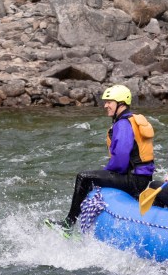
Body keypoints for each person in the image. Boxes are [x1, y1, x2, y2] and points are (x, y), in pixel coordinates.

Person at [57, 84, 155, 227]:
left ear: (120, 104)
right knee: (96, 176)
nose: (105, 105)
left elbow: (120, 161)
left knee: (84, 177)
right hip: (141, 178)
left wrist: (106, 171)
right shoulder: (130, 120)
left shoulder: (123, 124)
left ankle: (68, 224)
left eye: (109, 102)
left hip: (134, 180)